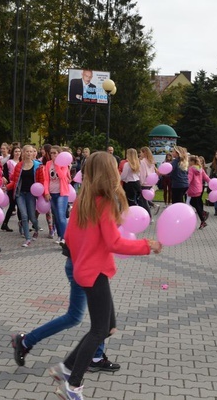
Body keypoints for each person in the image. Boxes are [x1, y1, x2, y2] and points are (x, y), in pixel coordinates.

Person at [48, 151, 162, 400]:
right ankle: (72, 385)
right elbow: (114, 243)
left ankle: (66, 368)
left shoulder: (85, 199)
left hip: (86, 269)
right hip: (94, 272)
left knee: (108, 327)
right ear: (110, 172)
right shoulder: (104, 202)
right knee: (99, 330)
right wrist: (146, 245)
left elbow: (70, 238)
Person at [7, 145, 41, 247]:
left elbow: (41, 182)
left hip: (31, 194)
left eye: (31, 152)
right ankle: (27, 238)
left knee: (32, 217)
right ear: (23, 152)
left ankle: (36, 229)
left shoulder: (38, 165)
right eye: (27, 151)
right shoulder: (19, 166)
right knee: (24, 216)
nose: (29, 153)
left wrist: (44, 194)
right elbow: (15, 181)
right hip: (20, 193)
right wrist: (7, 187)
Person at [44, 146, 71, 244]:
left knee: (61, 215)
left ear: (60, 154)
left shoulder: (64, 164)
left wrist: (57, 165)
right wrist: (46, 192)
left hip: (62, 193)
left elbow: (62, 176)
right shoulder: (47, 164)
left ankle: (65, 238)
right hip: (52, 192)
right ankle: (60, 236)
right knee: (55, 216)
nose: (53, 155)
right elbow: (46, 179)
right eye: (51, 153)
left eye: (55, 153)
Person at [187, 155, 210, 228]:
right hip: (199, 189)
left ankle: (203, 221)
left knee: (196, 205)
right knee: (194, 203)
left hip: (193, 189)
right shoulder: (200, 168)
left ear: (192, 161)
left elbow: (189, 179)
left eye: (189, 161)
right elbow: (206, 177)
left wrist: (185, 185)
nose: (188, 162)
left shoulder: (191, 169)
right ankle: (203, 213)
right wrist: (211, 182)